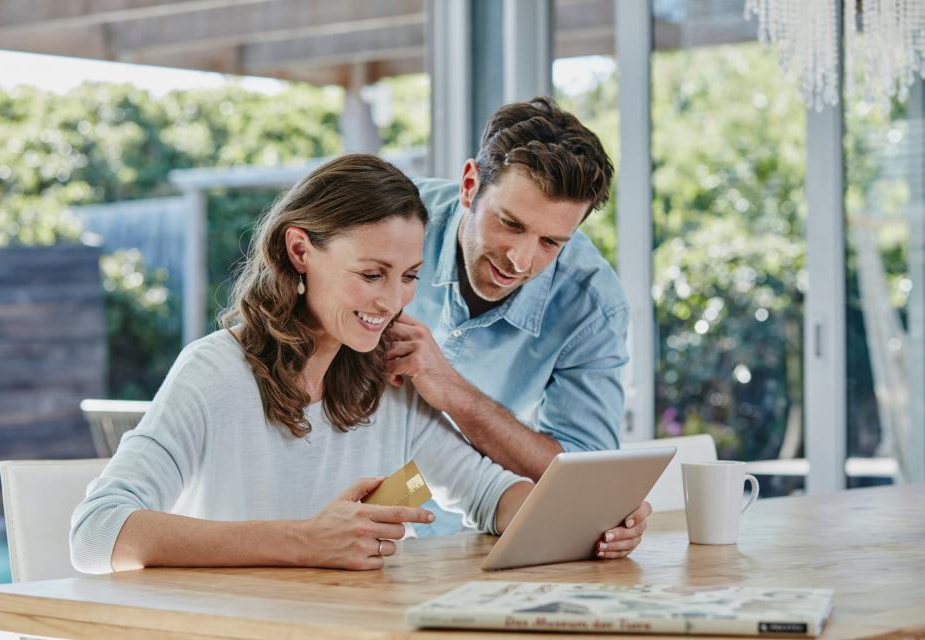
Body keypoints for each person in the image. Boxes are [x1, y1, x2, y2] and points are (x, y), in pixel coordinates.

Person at [70, 154, 646, 573]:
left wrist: (595, 518)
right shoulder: (216, 374)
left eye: (409, 277)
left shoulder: (383, 387)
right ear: (300, 252)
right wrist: (304, 542)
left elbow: (488, 496)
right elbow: (98, 533)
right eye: (371, 275)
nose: (392, 301)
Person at [387, 97, 643, 541]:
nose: (520, 261)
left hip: (479, 531)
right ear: (470, 185)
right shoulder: (389, 219)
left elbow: (586, 476)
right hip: (339, 497)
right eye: (510, 223)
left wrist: (455, 393)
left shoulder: (593, 305)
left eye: (551, 242)